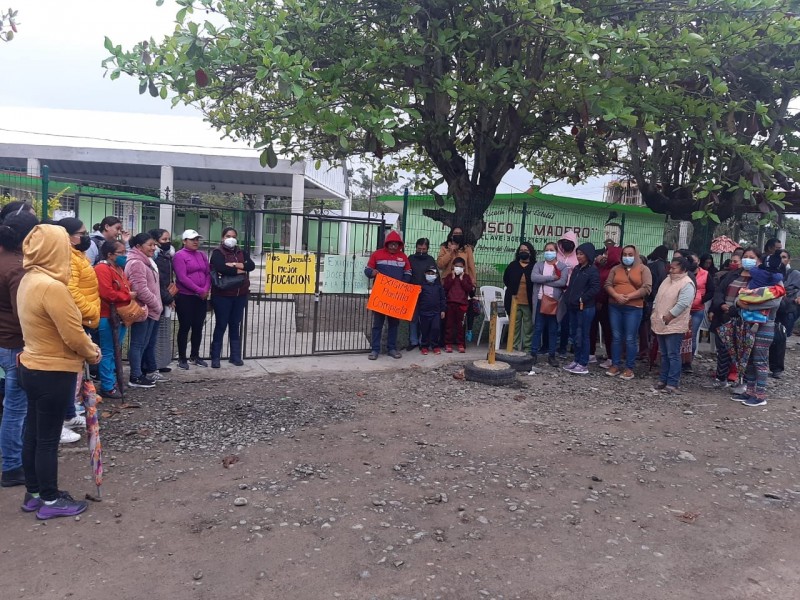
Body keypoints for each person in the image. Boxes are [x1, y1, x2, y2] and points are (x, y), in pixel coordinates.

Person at [17, 224, 101, 519]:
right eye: (64, 244)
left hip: (32, 366)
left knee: (33, 434)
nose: (70, 249)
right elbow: (73, 335)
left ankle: (35, 493)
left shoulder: (30, 279)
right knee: (48, 439)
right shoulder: (53, 287)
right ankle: (51, 502)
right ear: (54, 249)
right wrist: (93, 353)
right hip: (53, 370)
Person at [0, 211, 39, 488]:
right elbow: (23, 313)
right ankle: (12, 465)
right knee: (16, 407)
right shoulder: (16, 267)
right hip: (14, 343)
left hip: (4, 341)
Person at [56, 218, 100, 443]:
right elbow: (72, 290)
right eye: (81, 233)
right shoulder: (66, 258)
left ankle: (70, 413)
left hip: (83, 316)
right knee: (67, 373)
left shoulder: (77, 255)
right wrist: (91, 310)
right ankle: (60, 421)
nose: (85, 237)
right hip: (78, 316)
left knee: (76, 371)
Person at [730, 249, 783, 406]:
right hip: (748, 323)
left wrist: (748, 306)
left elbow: (775, 302)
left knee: (760, 360)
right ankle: (750, 391)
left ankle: (760, 395)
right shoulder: (756, 277)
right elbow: (739, 297)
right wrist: (740, 303)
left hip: (765, 325)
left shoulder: (777, 284)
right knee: (750, 359)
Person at [604, 245, 652, 380]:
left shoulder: (643, 269)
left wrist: (629, 297)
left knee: (630, 338)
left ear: (636, 254)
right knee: (616, 336)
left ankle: (629, 368)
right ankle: (615, 364)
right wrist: (616, 295)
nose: (627, 257)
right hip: (615, 306)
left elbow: (647, 288)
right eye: (624, 254)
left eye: (630, 254)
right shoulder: (615, 269)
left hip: (634, 308)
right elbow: (608, 284)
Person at [209, 227, 255, 368]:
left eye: (234, 236)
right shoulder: (217, 252)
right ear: (222, 237)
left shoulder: (241, 252)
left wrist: (234, 265)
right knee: (221, 325)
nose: (231, 238)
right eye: (228, 236)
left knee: (235, 325)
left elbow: (251, 265)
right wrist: (241, 269)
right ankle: (215, 357)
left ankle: (235, 356)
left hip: (240, 294)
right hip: (222, 295)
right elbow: (221, 268)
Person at [650, 256, 695, 394]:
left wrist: (670, 316)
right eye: (671, 266)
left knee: (673, 354)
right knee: (664, 354)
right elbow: (658, 297)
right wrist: (654, 310)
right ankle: (663, 380)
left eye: (674, 267)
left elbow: (683, 303)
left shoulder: (687, 283)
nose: (671, 269)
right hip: (661, 321)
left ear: (683, 269)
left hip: (673, 323)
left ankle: (672, 382)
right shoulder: (667, 280)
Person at [94, 240, 133, 399]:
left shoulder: (118, 268)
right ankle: (107, 385)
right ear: (110, 255)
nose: (125, 255)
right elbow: (107, 293)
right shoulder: (102, 269)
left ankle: (112, 382)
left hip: (121, 315)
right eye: (121, 253)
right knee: (109, 351)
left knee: (116, 350)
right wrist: (127, 296)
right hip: (108, 316)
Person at [365, 230, 412, 359]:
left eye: (396, 244)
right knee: (377, 324)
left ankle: (392, 348)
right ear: (387, 244)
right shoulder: (377, 255)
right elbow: (367, 270)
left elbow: (408, 272)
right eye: (391, 244)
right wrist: (372, 272)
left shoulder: (403, 257)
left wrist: (402, 285)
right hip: (380, 296)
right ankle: (375, 350)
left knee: (394, 324)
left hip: (395, 297)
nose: (393, 246)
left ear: (399, 245)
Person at [125, 233, 163, 388]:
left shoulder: (146, 261)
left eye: (154, 244)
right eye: (150, 245)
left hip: (151, 310)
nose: (154, 248)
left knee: (144, 343)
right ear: (139, 247)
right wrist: (157, 305)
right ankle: (135, 376)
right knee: (138, 344)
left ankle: (139, 373)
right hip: (144, 310)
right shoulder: (136, 263)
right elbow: (140, 290)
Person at [173, 229, 211, 369]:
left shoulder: (202, 255)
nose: (196, 242)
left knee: (198, 327)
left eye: (197, 239)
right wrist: (199, 290)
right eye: (192, 239)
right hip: (186, 297)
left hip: (201, 297)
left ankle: (195, 355)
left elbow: (207, 273)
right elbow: (182, 277)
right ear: (184, 241)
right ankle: (182, 358)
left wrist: (206, 289)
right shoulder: (179, 256)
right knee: (185, 326)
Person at [561, 243, 600, 375]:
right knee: (575, 335)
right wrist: (568, 298)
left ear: (588, 255)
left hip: (585, 308)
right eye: (577, 253)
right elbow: (571, 286)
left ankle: (583, 363)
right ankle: (576, 360)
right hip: (573, 306)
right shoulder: (577, 269)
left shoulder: (592, 270)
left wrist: (582, 298)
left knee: (583, 335)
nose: (578, 256)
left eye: (581, 254)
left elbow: (595, 288)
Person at [530, 242, 569, 367]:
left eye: (551, 250)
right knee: (538, 328)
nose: (549, 252)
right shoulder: (539, 265)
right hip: (540, 301)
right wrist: (552, 278)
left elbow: (562, 282)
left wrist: (544, 280)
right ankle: (533, 353)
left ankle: (552, 355)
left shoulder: (562, 267)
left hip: (554, 302)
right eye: (547, 250)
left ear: (556, 252)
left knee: (553, 329)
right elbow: (534, 278)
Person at [437, 227, 477, 342]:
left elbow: (471, 266)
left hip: (462, 285)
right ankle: (445, 340)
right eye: (455, 233)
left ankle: (460, 340)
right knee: (447, 313)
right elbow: (440, 264)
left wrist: (473, 281)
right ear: (451, 235)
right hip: (448, 283)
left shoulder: (467, 249)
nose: (458, 235)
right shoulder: (445, 247)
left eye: (460, 233)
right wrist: (450, 251)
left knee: (461, 314)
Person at [149, 228, 178, 374]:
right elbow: (157, 282)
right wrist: (168, 297)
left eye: (168, 239)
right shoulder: (155, 258)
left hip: (166, 296)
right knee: (154, 334)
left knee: (163, 331)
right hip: (158, 298)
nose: (167, 242)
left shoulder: (167, 256)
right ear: (155, 241)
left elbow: (168, 278)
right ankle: (152, 364)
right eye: (164, 240)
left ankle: (160, 362)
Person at [502, 242, 536, 352]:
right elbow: (506, 280)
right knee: (514, 327)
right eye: (521, 250)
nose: (523, 252)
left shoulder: (535, 266)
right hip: (514, 302)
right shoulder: (513, 266)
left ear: (530, 252)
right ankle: (513, 348)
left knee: (528, 328)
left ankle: (527, 349)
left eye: (526, 250)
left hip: (529, 303)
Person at [592, 245, 621, 367]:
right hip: (595, 301)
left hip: (607, 304)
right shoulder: (601, 266)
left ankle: (611, 357)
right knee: (591, 328)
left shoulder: (614, 269)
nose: (604, 256)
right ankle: (590, 354)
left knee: (608, 331)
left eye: (607, 254)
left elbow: (606, 285)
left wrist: (601, 300)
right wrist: (596, 262)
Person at [406, 238, 437, 350]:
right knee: (413, 318)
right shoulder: (410, 258)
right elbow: (407, 273)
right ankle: (413, 341)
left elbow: (434, 276)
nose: (421, 251)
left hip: (426, 293)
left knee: (424, 318)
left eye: (424, 249)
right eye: (419, 248)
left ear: (428, 249)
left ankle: (422, 341)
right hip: (413, 292)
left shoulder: (430, 260)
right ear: (416, 247)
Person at [443, 257, 475, 353]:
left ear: (464, 268)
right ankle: (448, 344)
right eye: (456, 266)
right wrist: (452, 278)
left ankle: (460, 344)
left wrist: (462, 280)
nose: (458, 268)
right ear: (453, 266)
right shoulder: (449, 276)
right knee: (449, 325)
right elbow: (446, 287)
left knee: (460, 326)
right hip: (450, 304)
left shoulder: (466, 277)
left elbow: (469, 289)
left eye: (460, 267)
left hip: (462, 305)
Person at [555, 231, 579, 357]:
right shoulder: (557, 255)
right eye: (564, 241)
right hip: (557, 290)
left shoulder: (577, 257)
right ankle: (559, 346)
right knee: (558, 319)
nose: (566, 244)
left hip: (572, 292)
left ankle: (570, 346)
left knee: (569, 320)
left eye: (569, 242)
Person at [417, 265, 446, 355]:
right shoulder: (421, 287)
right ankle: (424, 346)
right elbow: (417, 299)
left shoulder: (439, 287)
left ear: (436, 275)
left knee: (435, 329)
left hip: (436, 313)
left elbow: (442, 299)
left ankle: (435, 346)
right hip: (424, 313)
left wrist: (443, 310)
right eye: (428, 273)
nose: (430, 275)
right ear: (425, 274)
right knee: (424, 330)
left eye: (432, 273)